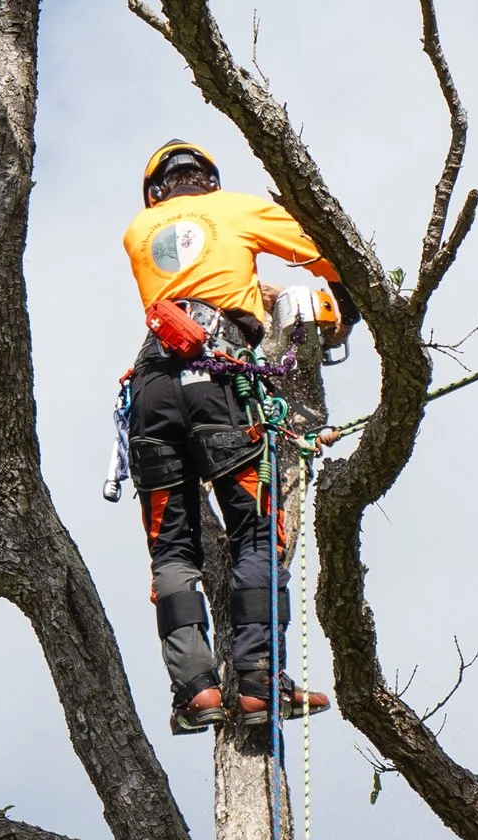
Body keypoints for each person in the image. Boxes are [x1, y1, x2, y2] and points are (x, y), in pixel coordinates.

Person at [120, 137, 337, 744]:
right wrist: (336, 306)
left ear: (156, 191)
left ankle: (196, 690)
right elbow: (325, 252)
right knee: (257, 530)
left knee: (172, 548)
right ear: (208, 183)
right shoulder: (237, 209)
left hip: (154, 386)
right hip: (220, 381)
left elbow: (197, 281)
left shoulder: (139, 230)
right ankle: (258, 681)